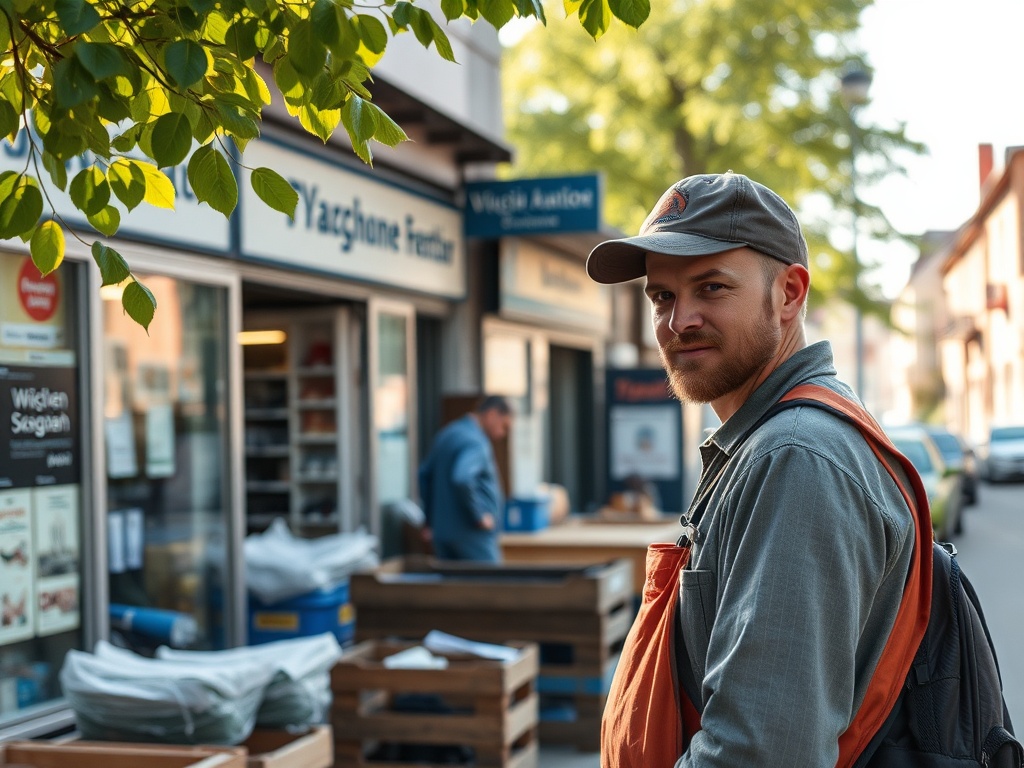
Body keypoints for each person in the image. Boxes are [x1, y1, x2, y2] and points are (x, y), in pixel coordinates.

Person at [587, 172, 922, 766]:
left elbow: (760, 753)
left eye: (711, 288)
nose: (678, 320)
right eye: (662, 296)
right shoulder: (769, 444)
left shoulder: (796, 458)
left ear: (789, 293)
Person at [417, 395, 512, 562]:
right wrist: (479, 516)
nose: (502, 434)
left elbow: (424, 475)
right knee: (494, 585)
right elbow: (462, 478)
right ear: (492, 415)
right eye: (503, 426)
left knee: (452, 586)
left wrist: (430, 521)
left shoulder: (447, 433)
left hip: (442, 533)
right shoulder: (476, 441)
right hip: (471, 534)